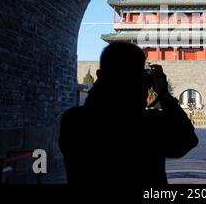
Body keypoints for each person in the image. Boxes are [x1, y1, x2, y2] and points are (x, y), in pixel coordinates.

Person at [59, 42, 198, 185]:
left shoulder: (73, 120)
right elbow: (188, 139)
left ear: (100, 75)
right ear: (141, 81)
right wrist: (164, 94)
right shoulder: (149, 125)